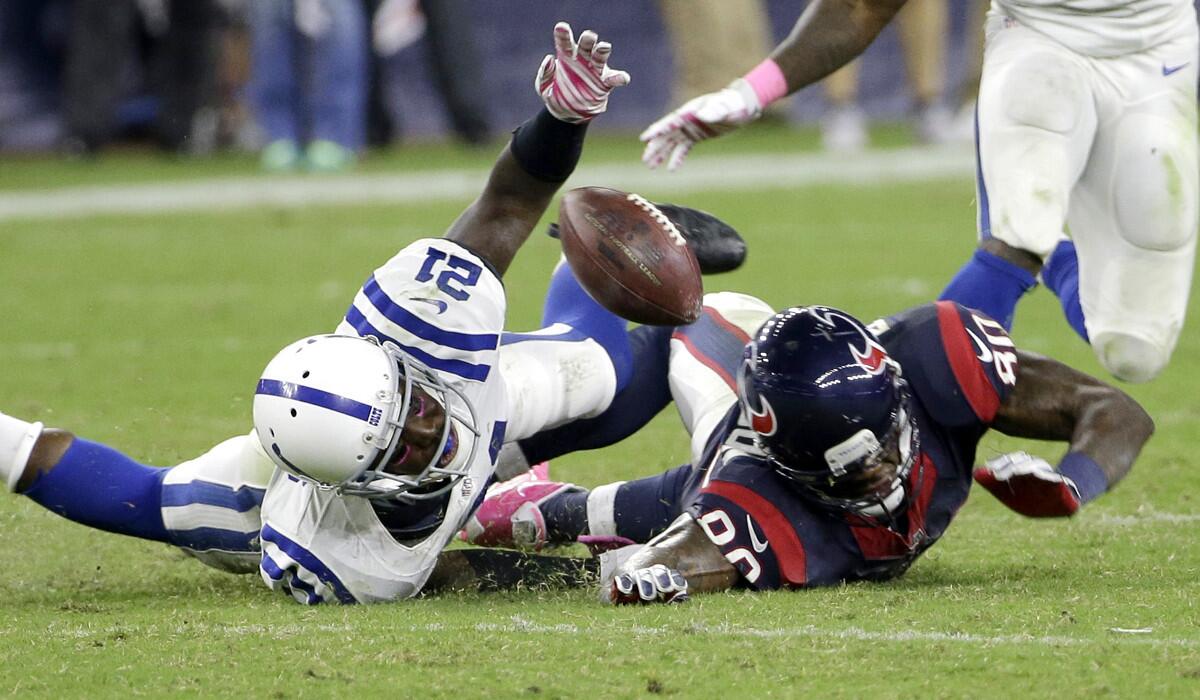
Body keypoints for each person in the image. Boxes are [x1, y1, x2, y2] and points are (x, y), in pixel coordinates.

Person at [0, 21, 639, 604]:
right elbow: (444, 570)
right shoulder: (326, 549)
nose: (432, 436)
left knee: (609, 371)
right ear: (352, 485)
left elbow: (505, 205)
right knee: (151, 501)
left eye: (412, 412)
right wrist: (604, 573)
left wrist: (562, 117)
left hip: (468, 394)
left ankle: (584, 255)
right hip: (265, 494)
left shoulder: (416, 331)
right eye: (405, 453)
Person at [638, 0, 1198, 385]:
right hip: (1041, 39)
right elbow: (861, 7)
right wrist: (748, 93)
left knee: (1133, 350)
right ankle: (908, 410)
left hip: (1160, 55)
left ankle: (1047, 255)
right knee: (1021, 225)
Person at [463, 295, 1153, 604]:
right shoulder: (756, 498)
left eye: (884, 447)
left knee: (717, 317)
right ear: (793, 468)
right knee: (569, 515)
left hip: (755, 360)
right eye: (851, 474)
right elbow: (654, 564)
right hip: (719, 438)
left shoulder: (937, 362)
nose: (884, 477)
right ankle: (489, 459)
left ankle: (532, 488)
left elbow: (1114, 410)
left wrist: (1074, 485)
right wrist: (647, 577)